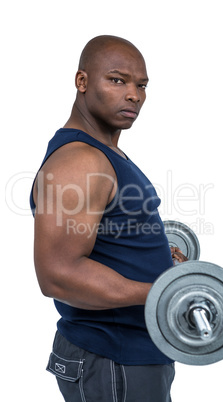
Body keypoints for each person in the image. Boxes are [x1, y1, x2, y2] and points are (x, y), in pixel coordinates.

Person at [30, 35, 186, 402]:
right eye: (117, 80)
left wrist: (162, 258)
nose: (133, 94)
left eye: (141, 85)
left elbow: (113, 234)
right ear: (82, 81)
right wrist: (162, 293)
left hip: (135, 354)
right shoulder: (80, 161)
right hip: (112, 358)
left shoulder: (107, 154)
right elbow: (58, 273)